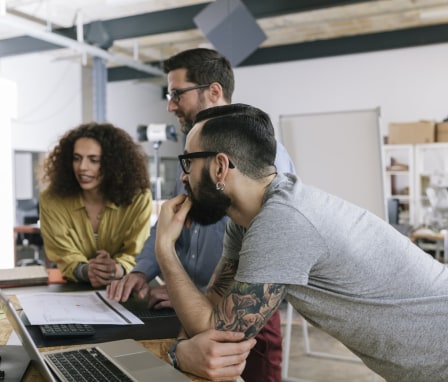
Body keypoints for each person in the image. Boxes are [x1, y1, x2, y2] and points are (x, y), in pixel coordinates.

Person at [154, 103, 448, 382]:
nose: (183, 176)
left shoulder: (282, 220)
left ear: (220, 167)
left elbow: (216, 331)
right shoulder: (246, 222)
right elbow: (212, 311)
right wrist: (183, 349)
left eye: (188, 161)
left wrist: (165, 249)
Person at [107, 48, 295, 381]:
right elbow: (172, 221)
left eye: (176, 93)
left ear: (213, 91)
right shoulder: (196, 152)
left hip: (244, 316)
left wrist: (191, 296)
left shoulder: (262, 155)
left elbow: (265, 249)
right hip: (193, 308)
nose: (170, 105)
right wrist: (143, 272)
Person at [39, 122, 152, 288]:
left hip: (126, 287)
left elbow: (137, 252)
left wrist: (116, 269)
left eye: (93, 160)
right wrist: (86, 271)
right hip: (73, 290)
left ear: (113, 164)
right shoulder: (51, 200)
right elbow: (63, 254)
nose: (82, 167)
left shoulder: (139, 198)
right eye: (77, 158)